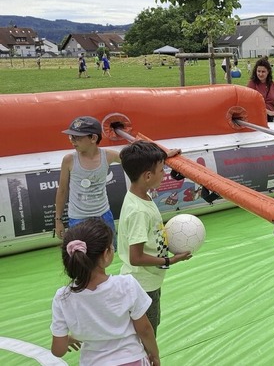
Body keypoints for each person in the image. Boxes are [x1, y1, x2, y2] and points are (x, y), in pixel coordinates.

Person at [50, 219, 160, 365]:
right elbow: (145, 329)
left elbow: (58, 351)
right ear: (106, 254)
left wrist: (66, 340)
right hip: (132, 360)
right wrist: (154, 355)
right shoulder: (126, 284)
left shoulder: (63, 297)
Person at [117, 140, 191, 336]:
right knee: (146, 335)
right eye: (162, 170)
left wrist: (163, 157)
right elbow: (136, 257)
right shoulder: (139, 212)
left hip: (148, 281)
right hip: (143, 285)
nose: (165, 174)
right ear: (148, 176)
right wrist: (171, 260)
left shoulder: (139, 195)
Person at [55, 116, 121, 249]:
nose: (73, 141)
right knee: (82, 256)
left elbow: (136, 158)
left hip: (104, 215)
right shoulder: (69, 160)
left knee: (108, 252)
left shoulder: (109, 156)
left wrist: (163, 155)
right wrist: (58, 220)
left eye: (77, 137)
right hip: (78, 219)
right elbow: (62, 190)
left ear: (93, 138)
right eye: (71, 137)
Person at [247, 57, 274, 122]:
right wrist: (268, 111)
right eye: (258, 71)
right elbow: (250, 104)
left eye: (263, 71)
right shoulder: (252, 84)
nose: (260, 74)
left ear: (268, 72)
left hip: (271, 119)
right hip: (257, 118)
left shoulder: (273, 84)